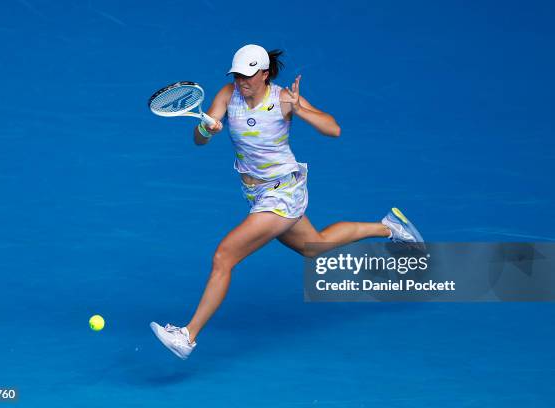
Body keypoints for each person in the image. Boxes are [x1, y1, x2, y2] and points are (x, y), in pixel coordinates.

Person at [150, 44, 423, 359]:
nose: (242, 82)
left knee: (224, 257)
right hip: (257, 194)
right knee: (315, 247)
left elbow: (333, 129)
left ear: (265, 74)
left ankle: (187, 336)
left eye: (249, 76)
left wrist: (300, 108)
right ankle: (388, 227)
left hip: (282, 192)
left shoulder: (282, 98)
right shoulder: (227, 95)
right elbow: (199, 140)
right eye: (238, 75)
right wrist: (205, 128)